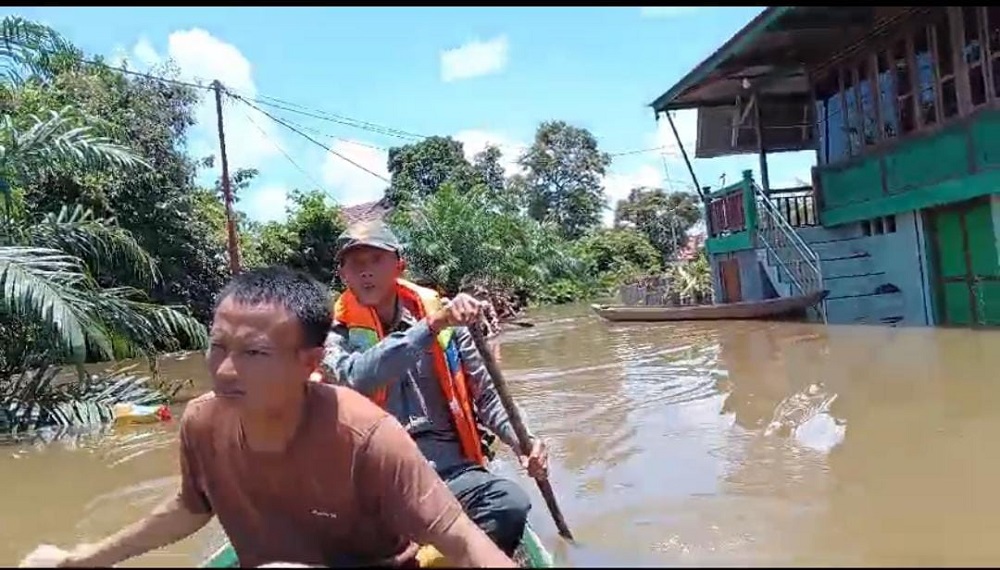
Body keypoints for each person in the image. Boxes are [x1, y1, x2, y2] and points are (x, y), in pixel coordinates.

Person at [20, 266, 515, 569]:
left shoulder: (366, 437)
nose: (225, 370)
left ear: (310, 363)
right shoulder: (201, 423)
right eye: (217, 347)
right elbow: (190, 510)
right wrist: (82, 559)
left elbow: (467, 544)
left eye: (254, 353)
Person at [320, 220, 549, 557]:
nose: (365, 272)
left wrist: (524, 443)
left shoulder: (448, 324)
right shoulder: (332, 335)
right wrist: (431, 326)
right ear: (343, 274)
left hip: (449, 474)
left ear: (400, 265)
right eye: (355, 263)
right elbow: (356, 376)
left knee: (508, 504)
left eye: (376, 260)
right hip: (376, 485)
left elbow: (488, 397)